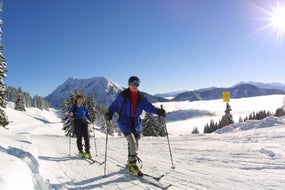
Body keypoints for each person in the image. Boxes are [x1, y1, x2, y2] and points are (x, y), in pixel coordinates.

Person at [105, 76, 166, 176]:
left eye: (137, 84)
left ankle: (130, 161)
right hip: (125, 122)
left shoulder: (141, 97)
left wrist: (158, 111)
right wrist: (109, 113)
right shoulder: (123, 95)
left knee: (135, 144)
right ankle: (132, 164)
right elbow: (115, 105)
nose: (135, 86)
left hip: (136, 122)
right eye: (133, 84)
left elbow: (148, 107)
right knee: (132, 143)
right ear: (129, 84)